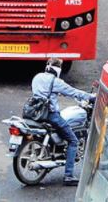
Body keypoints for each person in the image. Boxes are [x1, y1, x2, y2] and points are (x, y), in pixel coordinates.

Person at [30, 58, 94, 186]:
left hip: (35, 113)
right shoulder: (56, 81)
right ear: (58, 69)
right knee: (73, 141)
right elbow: (73, 92)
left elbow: (44, 92)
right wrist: (91, 96)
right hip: (50, 115)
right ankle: (69, 176)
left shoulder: (37, 77)